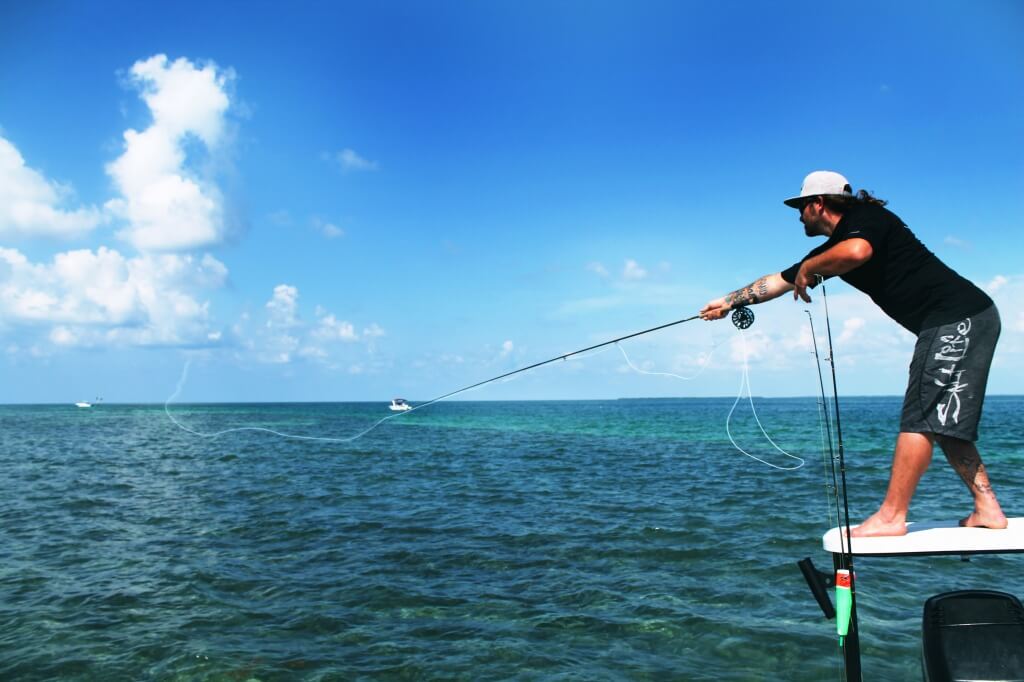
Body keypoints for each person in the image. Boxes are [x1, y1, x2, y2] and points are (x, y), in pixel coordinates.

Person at [699, 170, 1006, 537]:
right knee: (943, 420)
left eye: (801, 208)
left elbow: (858, 252)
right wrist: (728, 302)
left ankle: (892, 516)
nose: (798, 216)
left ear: (818, 204)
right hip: (969, 318)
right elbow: (779, 282)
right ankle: (987, 508)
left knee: (922, 415)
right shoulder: (835, 247)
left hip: (958, 318)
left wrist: (811, 268)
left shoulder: (866, 220)